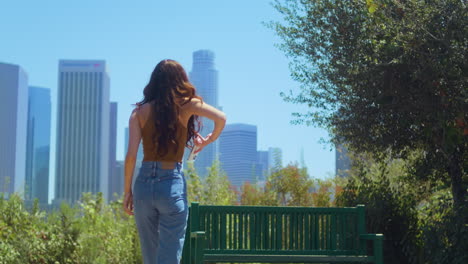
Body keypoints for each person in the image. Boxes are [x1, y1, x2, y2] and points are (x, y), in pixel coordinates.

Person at [123, 59, 226, 264]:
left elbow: (131, 156)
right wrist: (208, 141)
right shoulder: (187, 105)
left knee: (150, 256)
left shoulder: (138, 113)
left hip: (143, 185)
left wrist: (128, 192)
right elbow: (221, 118)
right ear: (180, 80)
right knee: (169, 256)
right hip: (170, 184)